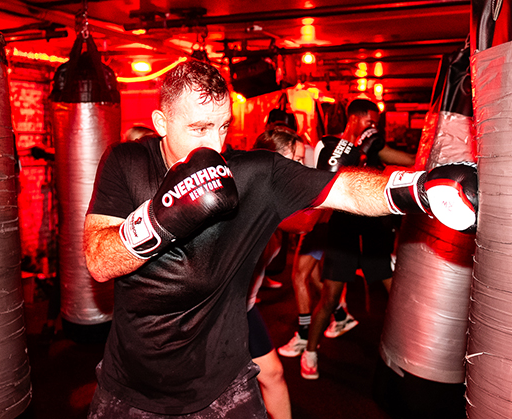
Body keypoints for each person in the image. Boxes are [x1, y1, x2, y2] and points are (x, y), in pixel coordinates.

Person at [83, 59, 477, 417]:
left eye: (222, 127)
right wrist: (160, 220)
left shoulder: (256, 173)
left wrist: (419, 189)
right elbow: (99, 262)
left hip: (223, 380)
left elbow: (345, 188)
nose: (214, 146)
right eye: (199, 129)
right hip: (132, 386)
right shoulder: (126, 162)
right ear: (161, 121)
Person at [300, 98, 416, 379]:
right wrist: (351, 156)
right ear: (354, 118)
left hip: (374, 224)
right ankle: (310, 352)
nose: (373, 128)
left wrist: (374, 150)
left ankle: (411, 352)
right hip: (343, 225)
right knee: (330, 295)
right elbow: (317, 184)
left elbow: (412, 162)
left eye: (375, 123)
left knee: (395, 292)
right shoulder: (327, 145)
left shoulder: (375, 145)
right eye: (369, 122)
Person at [245, 127, 307, 419]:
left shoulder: (276, 201)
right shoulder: (254, 200)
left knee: (271, 375)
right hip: (217, 311)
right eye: (297, 160)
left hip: (243, 307)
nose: (303, 168)